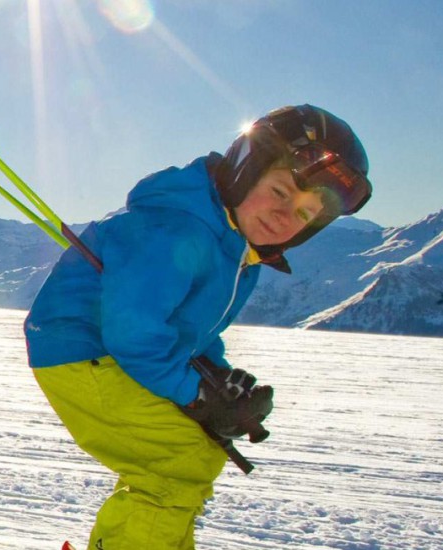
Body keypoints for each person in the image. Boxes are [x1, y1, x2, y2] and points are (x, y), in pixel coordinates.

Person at [23, 105, 372, 549]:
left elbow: (192, 329)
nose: (285, 216)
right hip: (82, 350)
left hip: (115, 353)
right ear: (247, 170)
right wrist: (197, 393)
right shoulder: (178, 229)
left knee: (195, 456)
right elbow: (135, 330)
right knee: (178, 460)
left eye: (304, 214)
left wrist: (219, 377)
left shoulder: (237, 251)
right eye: (281, 191)